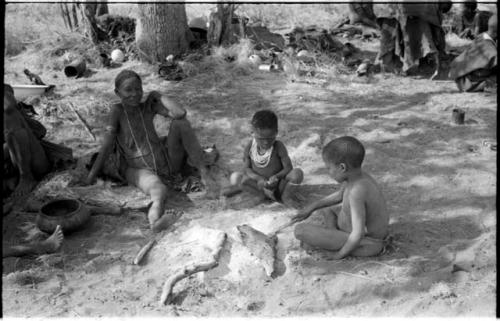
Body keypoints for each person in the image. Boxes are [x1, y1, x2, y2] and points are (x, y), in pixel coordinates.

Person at [86, 69, 218, 232]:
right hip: (138, 169)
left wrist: (158, 94)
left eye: (138, 89)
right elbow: (107, 144)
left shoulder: (148, 107)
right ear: (117, 93)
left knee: (181, 124)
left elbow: (180, 113)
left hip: (165, 161)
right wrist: (91, 175)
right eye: (128, 90)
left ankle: (204, 173)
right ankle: (155, 222)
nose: (134, 94)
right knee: (159, 190)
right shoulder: (117, 111)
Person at [291, 136, 389, 259]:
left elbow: (358, 233)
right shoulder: (358, 176)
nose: (328, 172)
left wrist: (337, 255)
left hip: (367, 241)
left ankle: (351, 245)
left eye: (329, 168)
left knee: (300, 231)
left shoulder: (356, 192)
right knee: (327, 209)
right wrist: (311, 207)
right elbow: (339, 195)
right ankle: (333, 236)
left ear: (342, 167)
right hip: (352, 232)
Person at [225, 110, 304, 207]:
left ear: (276, 132)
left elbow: (288, 168)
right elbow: (246, 169)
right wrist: (259, 179)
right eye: (261, 138)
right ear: (252, 133)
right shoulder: (249, 147)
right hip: (259, 186)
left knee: (297, 173)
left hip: (278, 186)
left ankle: (286, 197)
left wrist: (277, 176)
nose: (266, 142)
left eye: (270, 138)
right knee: (236, 177)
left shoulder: (279, 146)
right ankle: (260, 196)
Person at [3, 84, 50, 198]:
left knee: (10, 116)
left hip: (29, 161)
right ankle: (10, 181)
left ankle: (26, 177)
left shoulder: (8, 100)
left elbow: (9, 105)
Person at [449, 14, 497, 92]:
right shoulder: (490, 50)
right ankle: (487, 85)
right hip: (469, 83)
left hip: (461, 77)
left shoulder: (482, 36)